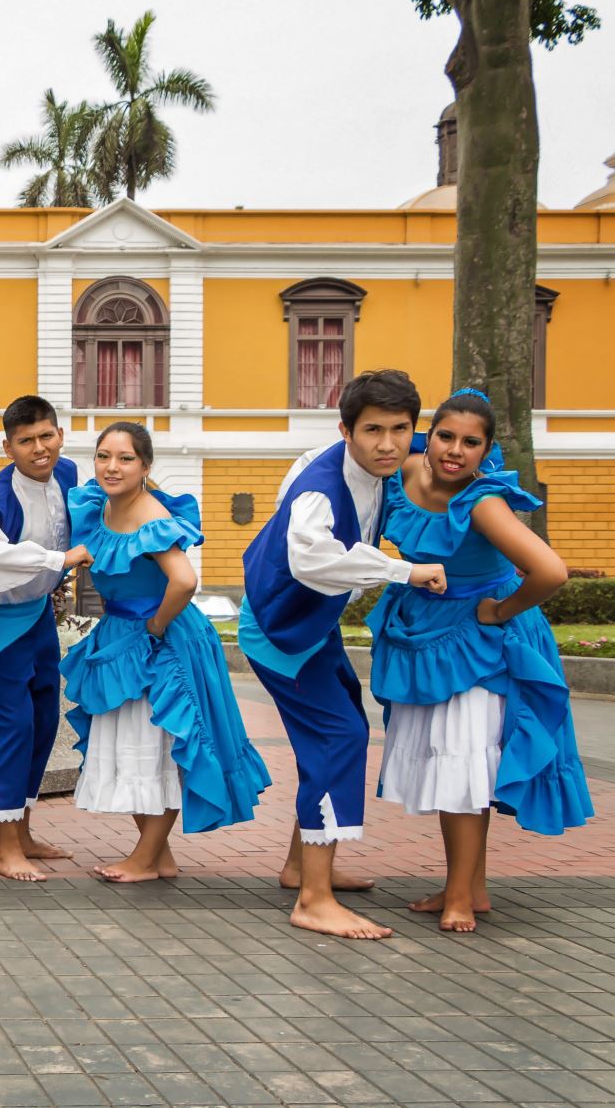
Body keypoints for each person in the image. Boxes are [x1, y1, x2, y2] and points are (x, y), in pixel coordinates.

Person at [367, 389, 593, 931]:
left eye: (471, 443)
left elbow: (551, 571)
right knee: (456, 768)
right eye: (446, 436)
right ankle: (469, 888)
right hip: (426, 631)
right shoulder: (402, 473)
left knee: (463, 766)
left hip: (479, 643)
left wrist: (498, 611)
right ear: (431, 433)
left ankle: (461, 900)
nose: (454, 451)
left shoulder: (483, 501)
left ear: (487, 450)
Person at [239, 368, 448, 940]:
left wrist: (456, 442)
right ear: (345, 431)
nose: (388, 444)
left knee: (342, 727)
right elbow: (312, 561)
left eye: (401, 430)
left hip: (313, 621)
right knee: (340, 736)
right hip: (279, 629)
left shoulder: (394, 451)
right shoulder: (320, 487)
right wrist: (407, 571)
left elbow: (444, 438)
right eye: (373, 431)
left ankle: (298, 867)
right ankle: (313, 898)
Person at [62, 423, 271, 881]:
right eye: (103, 456)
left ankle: (144, 857)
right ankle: (158, 855)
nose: (111, 467)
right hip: (124, 635)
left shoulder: (150, 514)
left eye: (125, 458)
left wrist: (155, 625)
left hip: (161, 642)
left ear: (145, 466)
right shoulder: (101, 508)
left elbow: (185, 580)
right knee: (134, 744)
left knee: (157, 744)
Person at [0, 396, 91, 881]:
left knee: (43, 723)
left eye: (46, 436)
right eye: (26, 441)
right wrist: (59, 560)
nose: (39, 448)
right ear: (7, 446)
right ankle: (4, 846)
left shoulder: (69, 474)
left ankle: (24, 830)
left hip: (38, 616)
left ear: (60, 435)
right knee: (12, 730)